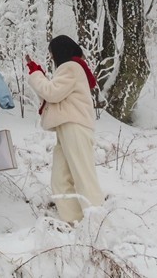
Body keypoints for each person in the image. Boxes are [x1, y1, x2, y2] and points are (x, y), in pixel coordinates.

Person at [25, 34, 106, 223]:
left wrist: (36, 74)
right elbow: (56, 91)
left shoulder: (71, 67)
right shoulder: (72, 68)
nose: (52, 58)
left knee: (83, 176)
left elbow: (52, 93)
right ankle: (74, 221)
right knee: (60, 179)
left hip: (75, 126)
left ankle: (98, 224)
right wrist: (39, 73)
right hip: (69, 127)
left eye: (52, 54)